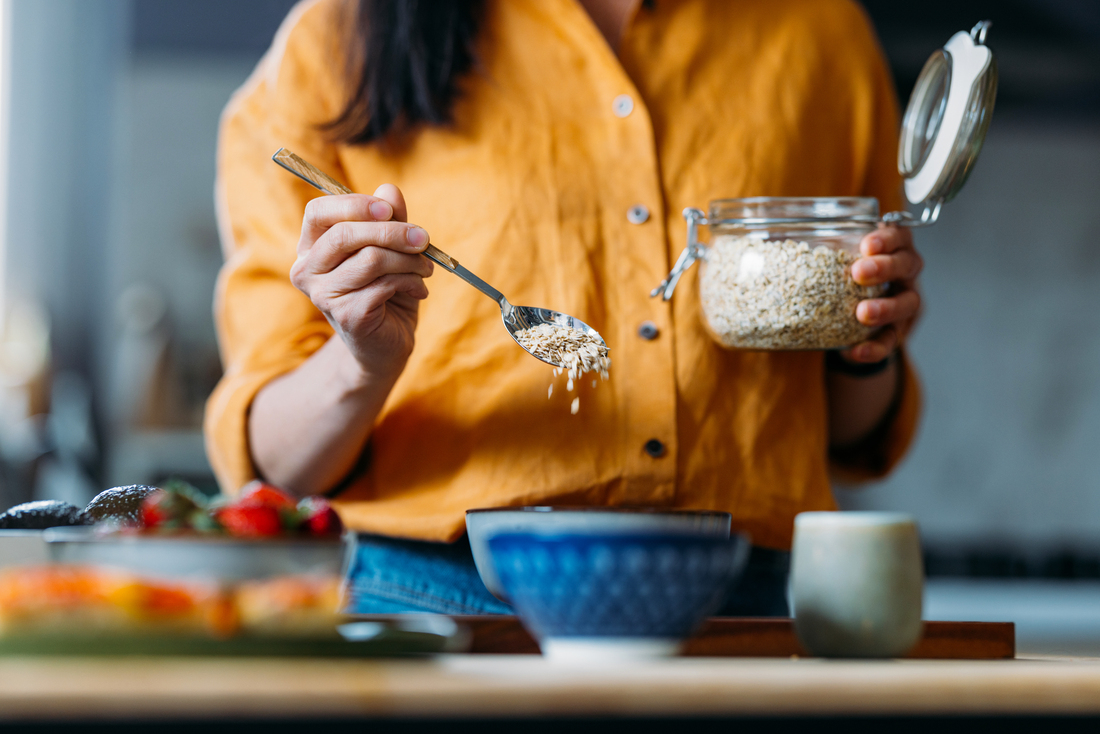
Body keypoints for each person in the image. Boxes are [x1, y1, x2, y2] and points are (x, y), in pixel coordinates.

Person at [206, 0, 923, 616]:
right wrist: (361, 361)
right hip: (438, 606)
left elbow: (848, 434)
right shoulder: (339, 39)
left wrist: (865, 344)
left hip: (736, 613)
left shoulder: (821, 33)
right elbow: (278, 469)